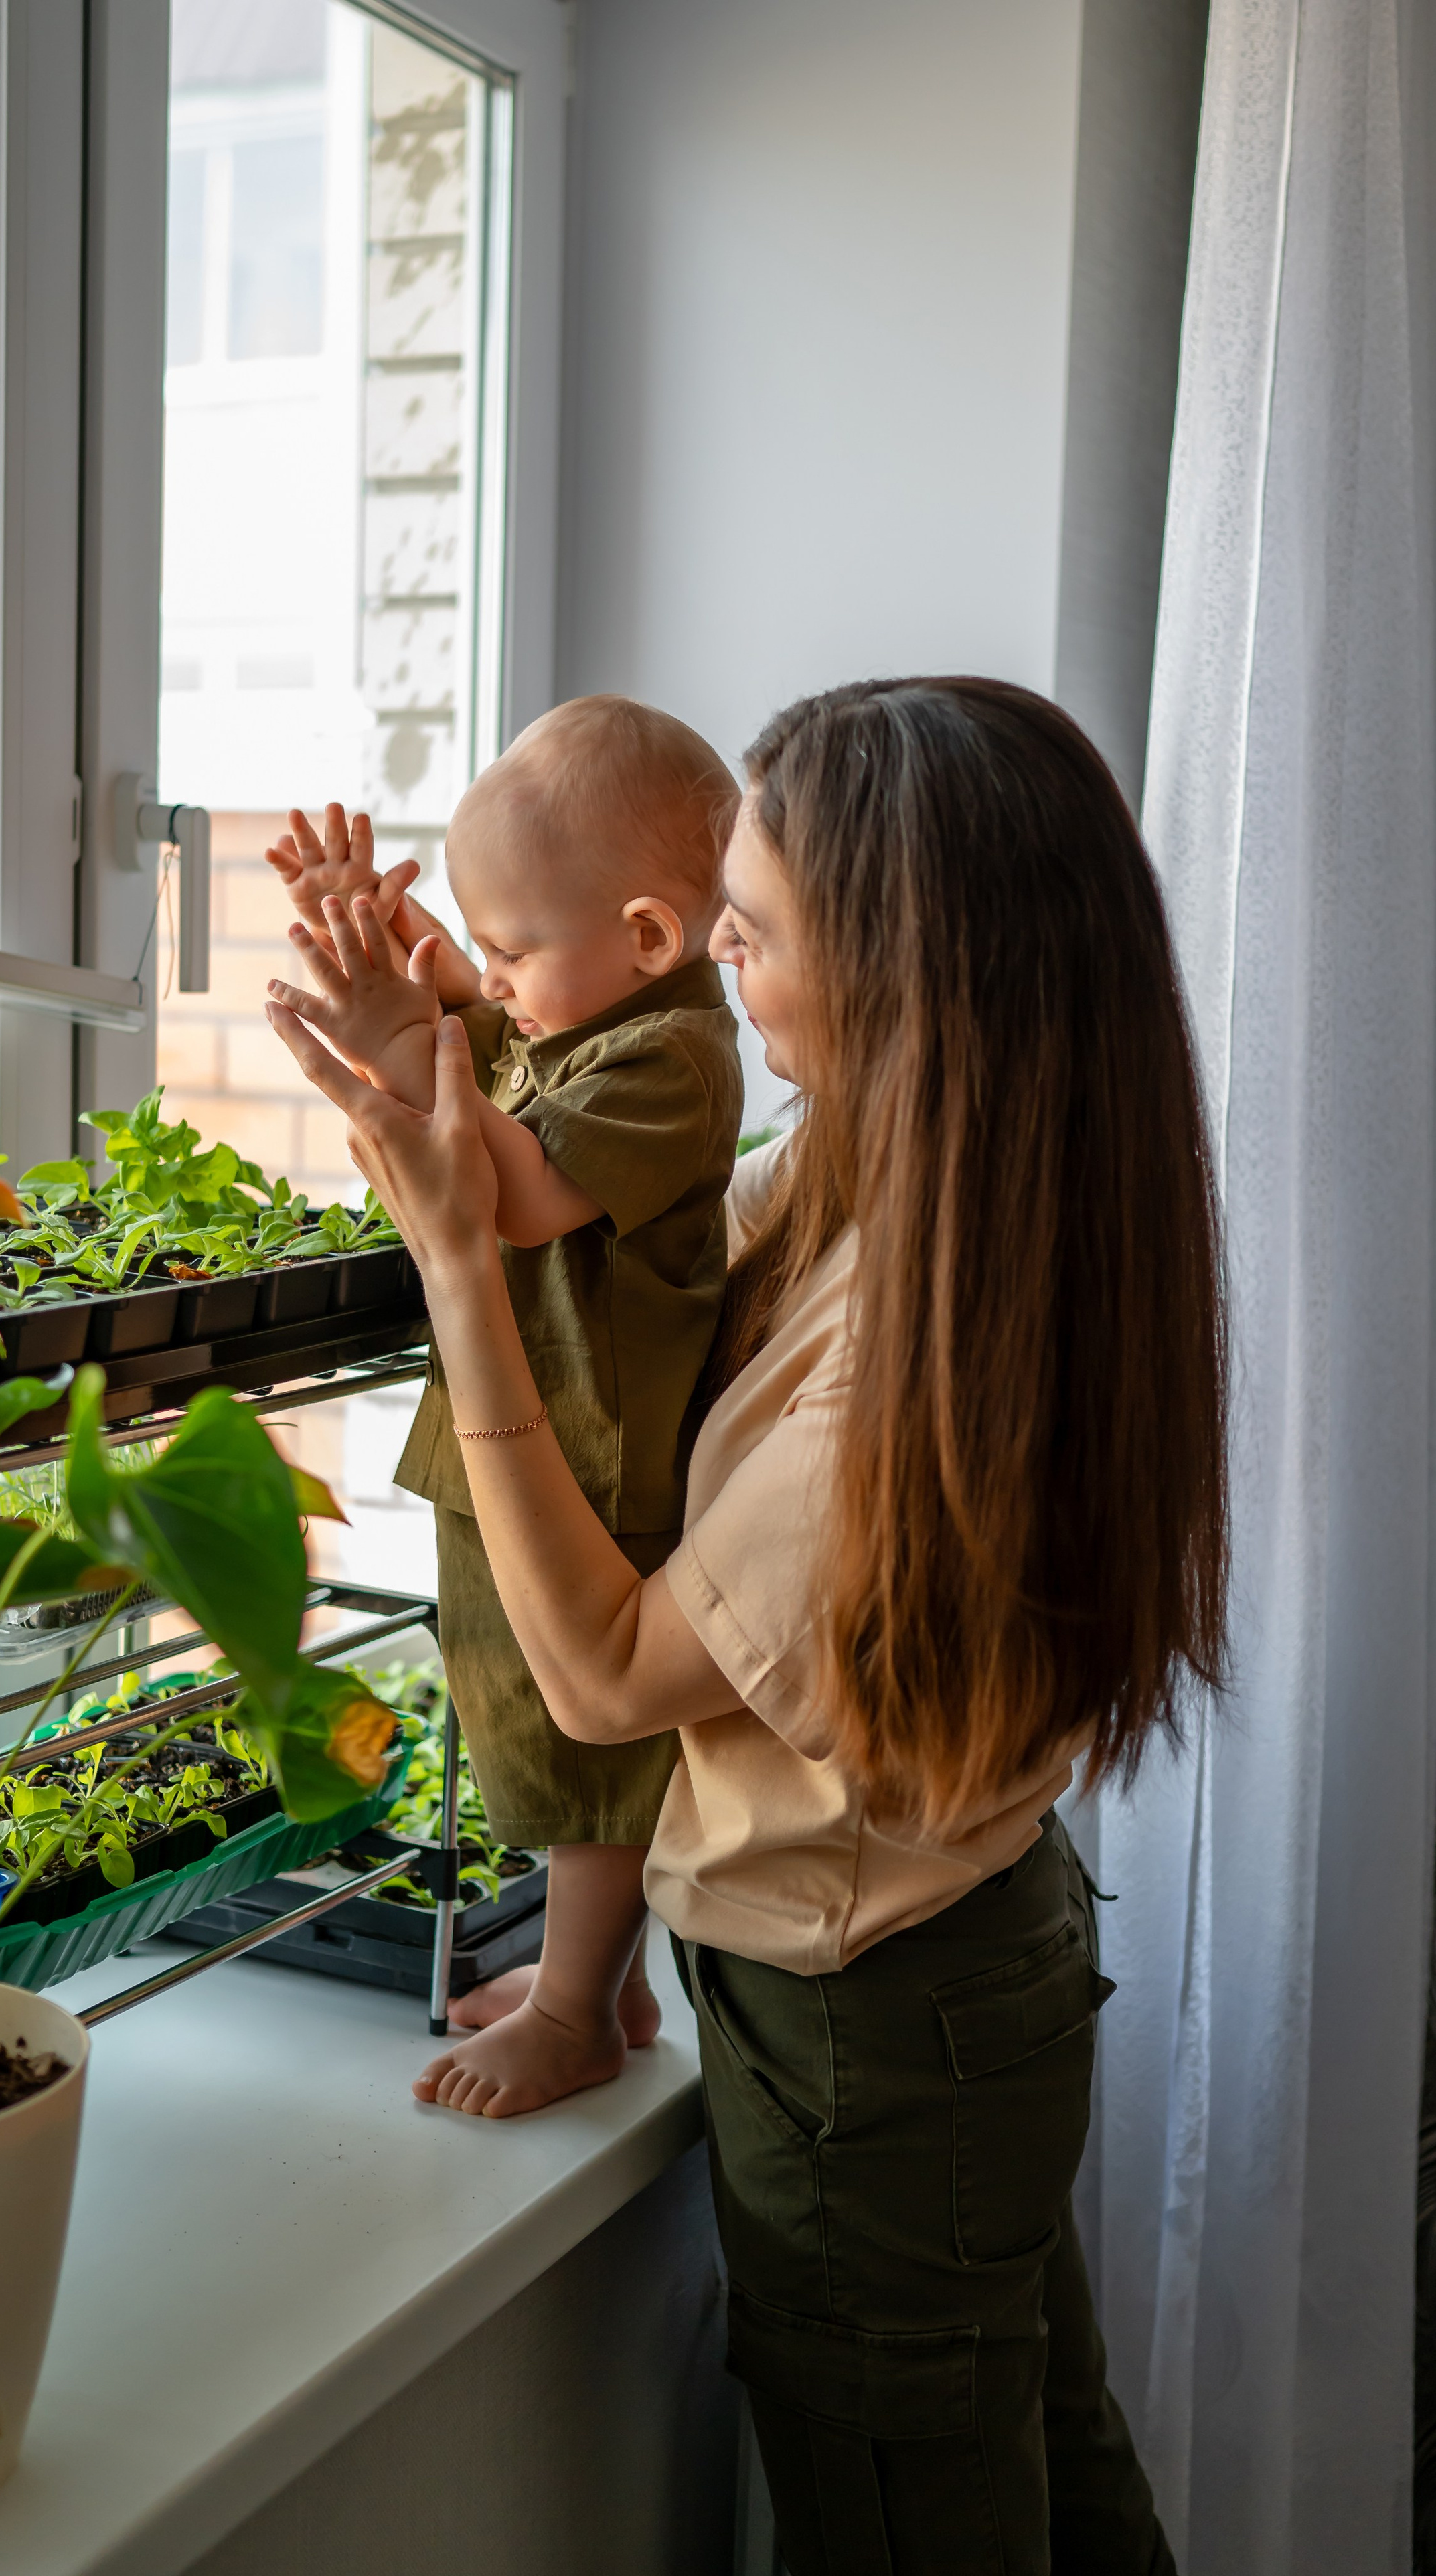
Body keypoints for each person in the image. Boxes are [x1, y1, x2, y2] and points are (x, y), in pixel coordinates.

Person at [268, 677, 1222, 2571]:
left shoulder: (902, 1369)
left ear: (900, 972)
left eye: (754, 932)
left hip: (881, 2038)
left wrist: (457, 1263)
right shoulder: (903, 1184)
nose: (710, 958)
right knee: (1036, 2456)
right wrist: (446, 1007)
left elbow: (607, 1671)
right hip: (956, 1975)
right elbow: (596, 1199)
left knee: (908, 2520)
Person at [265, 696, 744, 2117]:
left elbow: (510, 1192)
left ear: (647, 939)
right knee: (514, 1723)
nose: (492, 975)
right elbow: (485, 1104)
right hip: (521, 1436)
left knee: (581, 1748)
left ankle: (578, 2009)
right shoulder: (585, 1032)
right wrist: (421, 1015)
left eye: (513, 949)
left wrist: (412, 1037)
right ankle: (599, 1979)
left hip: (586, 1465)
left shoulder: (673, 1059)